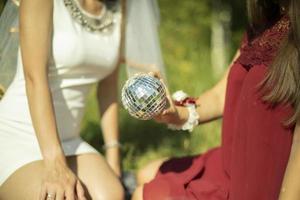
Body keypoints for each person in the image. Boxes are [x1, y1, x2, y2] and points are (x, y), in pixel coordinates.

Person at [132, 0, 300, 199]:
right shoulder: (264, 24)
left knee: (143, 194)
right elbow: (221, 95)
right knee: (144, 174)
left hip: (266, 180)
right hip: (233, 159)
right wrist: (178, 113)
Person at [0, 0, 165, 199]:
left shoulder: (119, 7)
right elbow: (34, 78)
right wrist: (55, 162)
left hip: (69, 139)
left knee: (113, 194)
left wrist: (113, 158)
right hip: (17, 134)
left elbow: (108, 86)